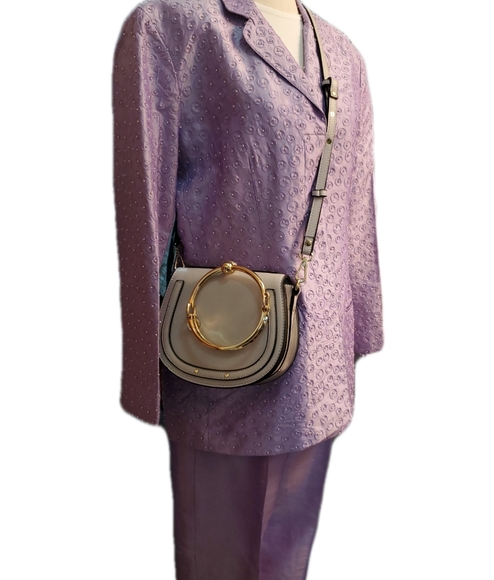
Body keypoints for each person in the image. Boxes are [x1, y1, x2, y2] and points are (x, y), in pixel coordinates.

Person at [112, 0, 383, 577]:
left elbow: (356, 203)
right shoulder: (176, 26)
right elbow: (145, 198)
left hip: (320, 373)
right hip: (221, 361)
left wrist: (361, 327)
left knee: (286, 560)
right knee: (219, 562)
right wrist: (145, 366)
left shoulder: (343, 56)